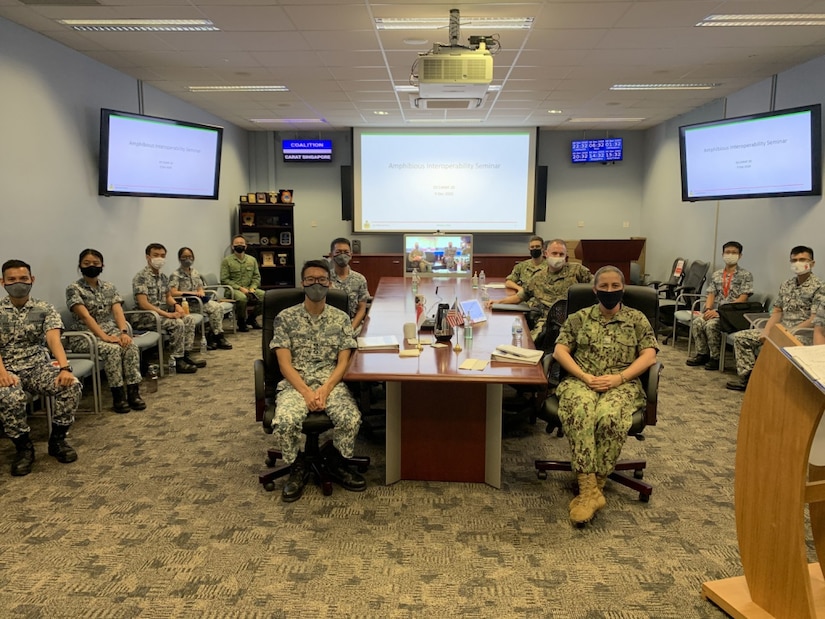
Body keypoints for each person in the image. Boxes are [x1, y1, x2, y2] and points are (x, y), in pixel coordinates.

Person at [552, 265, 658, 526]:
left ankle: (593, 489)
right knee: (580, 412)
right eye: (604, 287)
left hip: (622, 383)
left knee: (609, 417)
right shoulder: (579, 317)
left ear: (623, 288)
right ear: (594, 290)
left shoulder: (637, 319)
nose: (609, 291)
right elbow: (560, 351)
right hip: (582, 380)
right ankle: (589, 489)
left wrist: (619, 378)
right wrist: (584, 376)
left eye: (615, 286)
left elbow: (649, 354)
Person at [270, 259, 366, 502]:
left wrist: (325, 389)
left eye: (321, 280)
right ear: (302, 283)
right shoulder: (285, 317)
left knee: (350, 419)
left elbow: (343, 361)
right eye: (310, 279)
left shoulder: (341, 318)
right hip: (296, 383)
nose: (316, 284)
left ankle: (335, 462)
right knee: (286, 421)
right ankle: (297, 466)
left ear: (329, 283)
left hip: (330, 381)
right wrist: (305, 392)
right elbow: (284, 363)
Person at [0, 259, 81, 475]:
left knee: (71, 385)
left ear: (32, 280)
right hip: (5, 369)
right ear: (3, 282)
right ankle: (24, 448)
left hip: (37, 367)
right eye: (12, 280)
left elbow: (53, 339)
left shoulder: (44, 308)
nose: (19, 283)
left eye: (23, 279)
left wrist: (65, 368)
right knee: (10, 397)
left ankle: (58, 441)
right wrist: (2, 374)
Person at [728, 245, 822, 391]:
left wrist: (791, 331)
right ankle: (750, 378)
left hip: (802, 333)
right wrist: (766, 331)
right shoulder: (786, 284)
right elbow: (777, 311)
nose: (798, 263)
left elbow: (815, 319)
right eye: (794, 260)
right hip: (781, 329)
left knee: (781, 344)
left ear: (812, 263)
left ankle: (778, 387)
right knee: (742, 337)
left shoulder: (819, 287)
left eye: (802, 259)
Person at [66, 249, 146, 414]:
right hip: (85, 336)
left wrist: (123, 332)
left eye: (95, 263)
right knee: (113, 350)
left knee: (130, 346)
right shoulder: (74, 289)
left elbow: (117, 311)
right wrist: (104, 337)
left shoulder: (109, 287)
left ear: (102, 265)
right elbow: (86, 317)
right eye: (86, 263)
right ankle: (118, 396)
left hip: (111, 331)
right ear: (80, 266)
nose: (91, 267)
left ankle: (133, 392)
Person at [489, 238, 593, 340]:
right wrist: (498, 302)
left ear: (566, 256)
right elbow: (520, 297)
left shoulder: (577, 270)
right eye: (554, 253)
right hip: (547, 323)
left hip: (575, 321)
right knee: (529, 344)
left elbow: (598, 285)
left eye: (561, 254)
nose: (558, 257)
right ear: (546, 254)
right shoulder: (537, 278)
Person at [132, 243, 205, 374]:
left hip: (161, 315)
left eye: (162, 256)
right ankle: (177, 360)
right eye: (156, 255)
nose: (159, 258)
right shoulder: (141, 277)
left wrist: (177, 306)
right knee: (177, 323)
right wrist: (166, 314)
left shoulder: (163, 277)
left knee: (188, 319)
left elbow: (168, 297)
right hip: (146, 317)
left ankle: (185, 355)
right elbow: (143, 303)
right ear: (148, 257)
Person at [685, 241, 754, 370]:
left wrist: (721, 312)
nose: (730, 255)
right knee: (698, 322)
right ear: (722, 254)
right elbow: (711, 293)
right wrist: (708, 309)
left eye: (734, 252)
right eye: (728, 252)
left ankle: (715, 358)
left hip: (732, 314)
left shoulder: (746, 275)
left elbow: (743, 298)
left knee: (712, 325)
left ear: (740, 256)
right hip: (717, 311)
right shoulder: (717, 275)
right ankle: (702, 354)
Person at [169, 247, 232, 351]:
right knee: (214, 308)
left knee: (217, 307)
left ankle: (217, 336)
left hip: (198, 301)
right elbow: (173, 293)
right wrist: (190, 293)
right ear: (179, 258)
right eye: (184, 257)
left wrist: (201, 293)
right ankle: (214, 337)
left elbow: (200, 288)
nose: (187, 259)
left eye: (189, 256)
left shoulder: (195, 272)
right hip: (185, 305)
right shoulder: (175, 275)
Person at [221, 235, 264, 332]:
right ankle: (241, 321)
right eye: (237, 244)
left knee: (265, 297)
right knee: (242, 298)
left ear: (246, 246)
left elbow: (256, 277)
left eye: (242, 244)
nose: (239, 245)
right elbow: (224, 279)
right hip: (233, 290)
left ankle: (251, 318)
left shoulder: (252, 260)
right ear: (232, 246)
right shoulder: (227, 261)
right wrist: (240, 288)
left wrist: (252, 288)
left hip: (250, 288)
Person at [328, 237, 369, 334]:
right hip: (329, 325)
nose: (342, 255)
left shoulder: (359, 279)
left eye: (346, 252)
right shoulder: (325, 279)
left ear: (351, 255)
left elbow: (361, 308)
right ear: (331, 255)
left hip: (353, 324)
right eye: (338, 252)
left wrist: (350, 329)